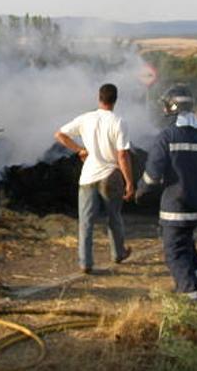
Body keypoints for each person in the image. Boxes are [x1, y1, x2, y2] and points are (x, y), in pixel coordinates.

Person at [136, 84, 197, 301]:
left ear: (172, 108)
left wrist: (140, 191)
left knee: (175, 252)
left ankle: (190, 297)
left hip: (176, 207)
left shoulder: (166, 137)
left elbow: (152, 176)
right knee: (187, 241)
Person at [55, 83, 134, 274]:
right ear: (115, 100)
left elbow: (59, 134)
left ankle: (85, 263)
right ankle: (118, 253)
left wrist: (80, 150)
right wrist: (130, 182)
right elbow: (122, 155)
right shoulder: (118, 121)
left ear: (99, 98)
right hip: (111, 176)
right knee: (114, 217)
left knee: (86, 221)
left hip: (87, 177)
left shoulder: (86, 118)